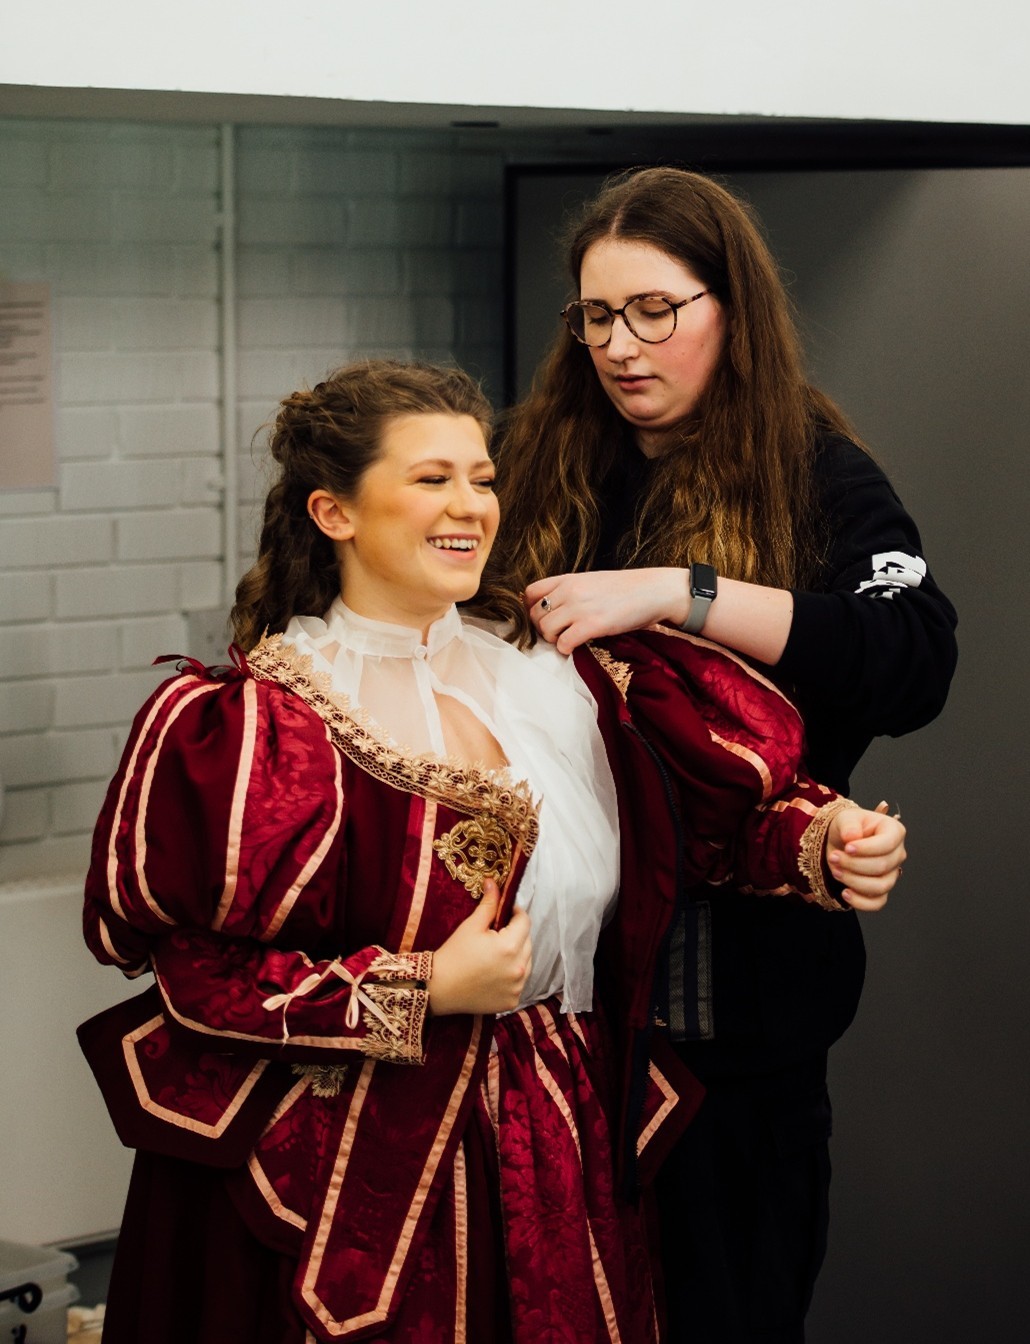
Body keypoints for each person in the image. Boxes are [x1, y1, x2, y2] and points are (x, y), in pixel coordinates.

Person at [79, 360, 905, 1344]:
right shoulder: (263, 723)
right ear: (334, 513)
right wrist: (422, 987)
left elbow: (689, 827)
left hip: (555, 1139)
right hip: (355, 1168)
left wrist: (823, 842)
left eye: (481, 478)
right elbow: (201, 977)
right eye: (431, 479)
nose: (470, 505)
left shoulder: (552, 670)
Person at [477, 166, 957, 1342]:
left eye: (655, 310)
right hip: (556, 1009)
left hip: (731, 1022)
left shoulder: (815, 472)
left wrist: (679, 594)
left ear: (729, 309)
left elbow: (912, 656)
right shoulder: (533, 461)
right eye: (597, 316)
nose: (620, 346)